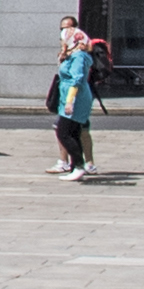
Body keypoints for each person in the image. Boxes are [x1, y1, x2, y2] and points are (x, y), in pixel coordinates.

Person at [45, 18, 100, 180]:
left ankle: (79, 165)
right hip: (69, 98)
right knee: (73, 132)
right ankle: (77, 166)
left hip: (76, 98)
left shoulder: (79, 57)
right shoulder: (71, 54)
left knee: (64, 132)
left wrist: (69, 101)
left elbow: (77, 79)